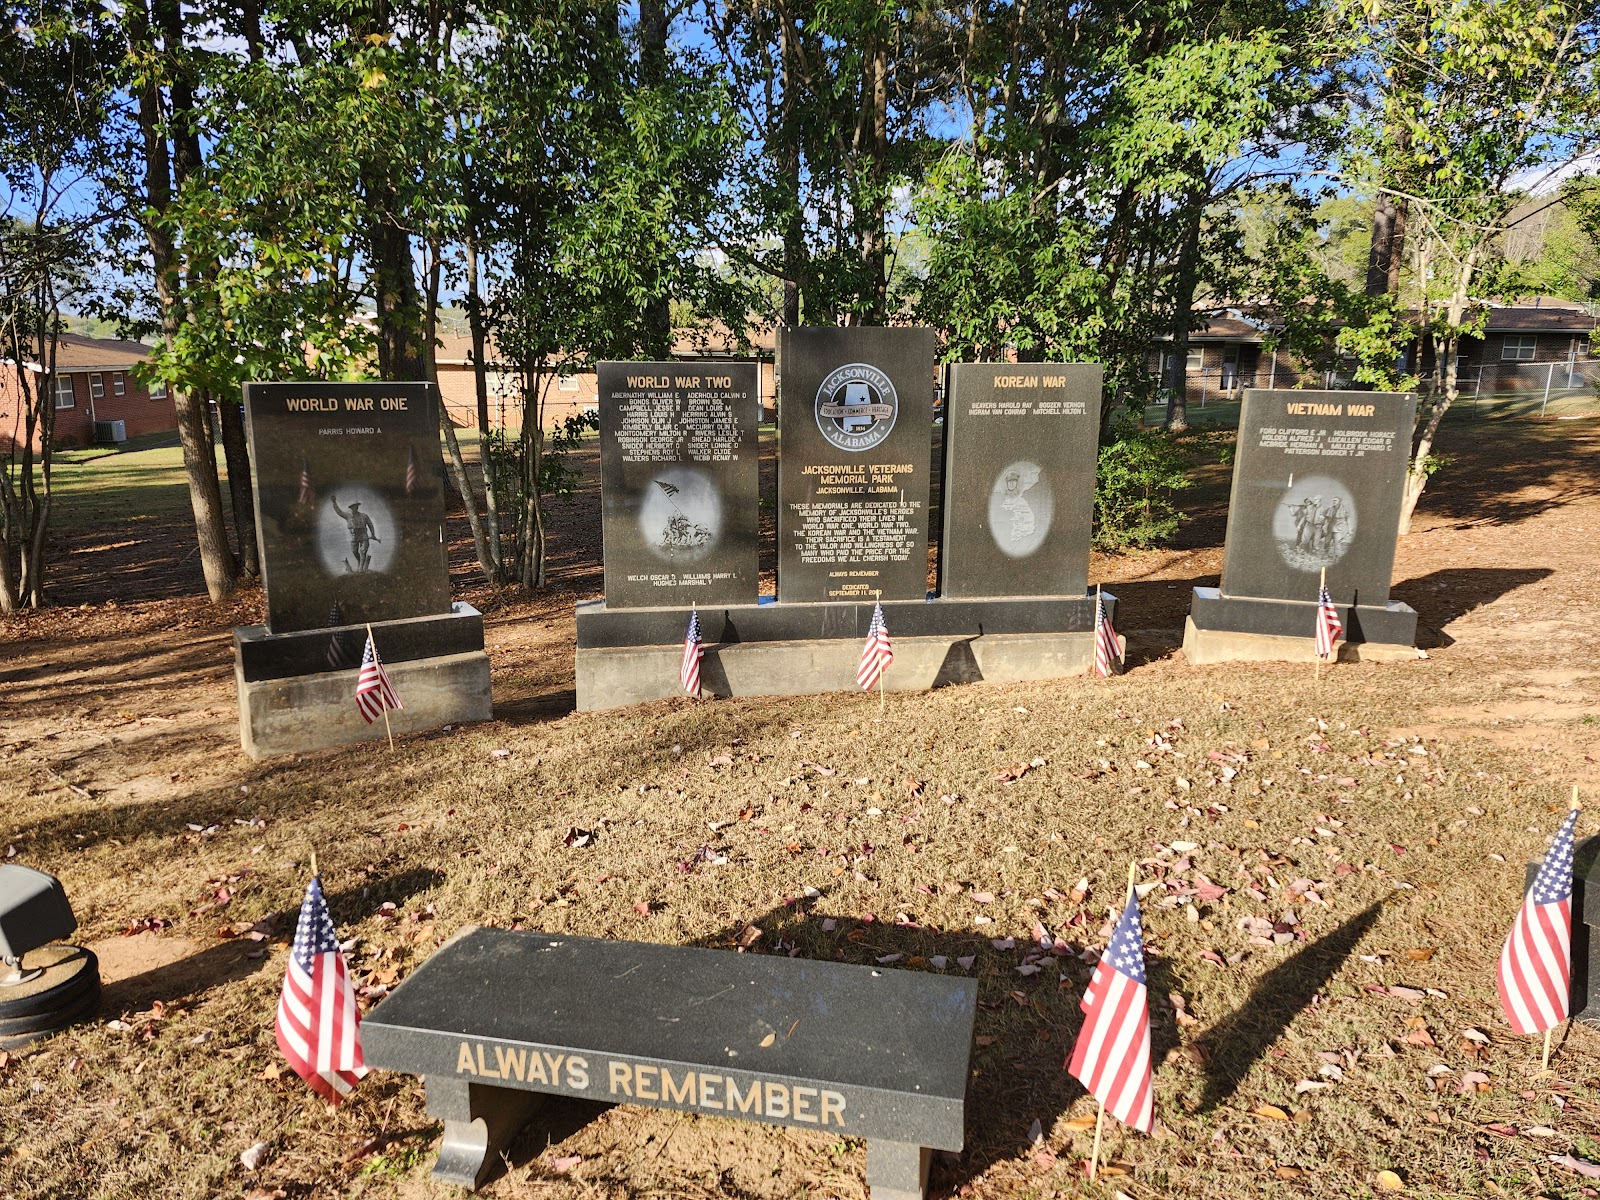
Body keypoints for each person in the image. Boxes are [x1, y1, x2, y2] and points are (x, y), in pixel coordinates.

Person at [330, 496, 379, 573]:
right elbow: (339, 512)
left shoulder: (364, 516)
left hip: (363, 534)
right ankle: (360, 563)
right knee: (354, 551)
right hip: (354, 535)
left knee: (363, 551)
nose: (355, 508)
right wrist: (334, 503)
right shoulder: (348, 516)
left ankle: (360, 568)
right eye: (353, 507)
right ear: (351, 508)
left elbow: (370, 524)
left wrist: (373, 534)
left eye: (356, 506)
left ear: (358, 507)